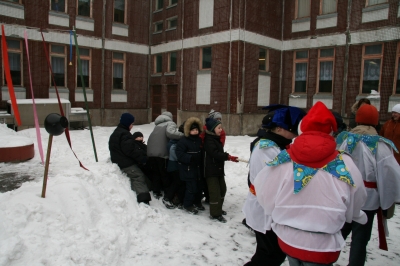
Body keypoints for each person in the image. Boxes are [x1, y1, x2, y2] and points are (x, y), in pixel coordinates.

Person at [254, 101, 367, 266]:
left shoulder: (284, 159)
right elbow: (358, 199)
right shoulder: (346, 163)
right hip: (323, 246)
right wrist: (348, 215)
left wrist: (277, 212)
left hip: (289, 239)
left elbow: (265, 193)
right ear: (331, 131)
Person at [337, 104, 400, 266]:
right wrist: (387, 201)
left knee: (338, 234)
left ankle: (323, 260)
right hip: (368, 200)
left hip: (346, 195)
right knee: (360, 239)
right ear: (375, 121)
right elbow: (390, 175)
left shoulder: (345, 141)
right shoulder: (381, 145)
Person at [243, 105, 305, 266]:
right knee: (270, 255)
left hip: (270, 208)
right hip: (265, 208)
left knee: (272, 254)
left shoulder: (276, 144)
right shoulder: (266, 148)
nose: (295, 135)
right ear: (279, 129)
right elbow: (271, 183)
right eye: (293, 130)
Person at [109, 113, 152, 204]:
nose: (132, 126)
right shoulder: (124, 134)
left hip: (119, 159)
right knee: (138, 176)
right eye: (131, 124)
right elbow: (130, 150)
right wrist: (142, 159)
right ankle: (143, 198)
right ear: (127, 124)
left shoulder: (118, 132)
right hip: (124, 162)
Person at [203, 118, 239, 223]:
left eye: (221, 127)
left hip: (217, 169)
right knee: (215, 193)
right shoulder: (209, 140)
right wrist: (228, 156)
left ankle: (218, 208)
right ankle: (215, 214)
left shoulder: (215, 138)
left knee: (222, 189)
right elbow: (215, 153)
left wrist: (227, 157)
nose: (221, 130)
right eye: (219, 128)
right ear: (212, 129)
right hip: (210, 171)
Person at [147, 111, 184, 199]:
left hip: (151, 153)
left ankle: (156, 191)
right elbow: (170, 133)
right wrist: (184, 135)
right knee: (164, 174)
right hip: (161, 153)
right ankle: (168, 193)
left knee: (156, 173)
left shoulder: (157, 126)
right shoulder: (170, 123)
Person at [175, 117, 204, 214]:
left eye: (196, 130)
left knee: (198, 187)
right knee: (191, 188)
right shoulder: (183, 141)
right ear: (188, 131)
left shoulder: (199, 140)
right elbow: (179, 153)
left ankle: (197, 202)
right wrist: (190, 158)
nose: (195, 132)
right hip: (187, 169)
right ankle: (187, 205)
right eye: (193, 130)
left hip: (198, 168)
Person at [199, 109, 226, 204]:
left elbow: (221, 141)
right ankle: (209, 198)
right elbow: (202, 141)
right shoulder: (207, 132)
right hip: (208, 158)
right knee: (210, 184)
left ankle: (213, 201)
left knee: (217, 186)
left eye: (220, 119)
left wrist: (220, 150)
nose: (219, 120)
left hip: (216, 158)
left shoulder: (220, 131)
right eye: (217, 118)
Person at [162, 122, 186, 209]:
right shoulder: (177, 140)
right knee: (176, 182)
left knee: (179, 182)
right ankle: (167, 197)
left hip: (175, 165)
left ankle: (178, 199)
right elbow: (174, 152)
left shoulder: (177, 139)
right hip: (174, 166)